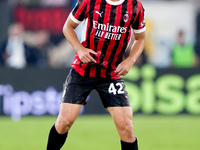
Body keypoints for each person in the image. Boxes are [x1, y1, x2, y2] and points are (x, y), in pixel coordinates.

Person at [46, 0, 145, 149]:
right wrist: (80, 49)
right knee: (64, 122)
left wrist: (130, 60)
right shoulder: (90, 1)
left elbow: (140, 38)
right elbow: (68, 27)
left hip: (111, 74)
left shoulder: (135, 6)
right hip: (83, 70)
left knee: (126, 128)